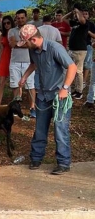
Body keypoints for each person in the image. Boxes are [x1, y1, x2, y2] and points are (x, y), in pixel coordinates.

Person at [18, 24, 77, 175]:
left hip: (59, 96)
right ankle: (36, 158)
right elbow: (34, 64)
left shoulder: (54, 48)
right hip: (43, 95)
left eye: (26, 42)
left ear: (34, 39)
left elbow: (72, 67)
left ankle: (64, 162)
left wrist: (64, 88)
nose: (25, 45)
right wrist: (25, 76)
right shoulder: (33, 50)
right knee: (40, 129)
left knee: (60, 130)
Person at [8, 9, 36, 118]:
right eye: (18, 18)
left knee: (30, 86)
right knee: (15, 86)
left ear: (26, 17)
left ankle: (32, 108)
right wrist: (25, 43)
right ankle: (16, 108)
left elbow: (33, 44)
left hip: (29, 62)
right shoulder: (12, 31)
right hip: (14, 61)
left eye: (22, 18)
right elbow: (12, 44)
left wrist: (18, 43)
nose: (20, 20)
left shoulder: (32, 30)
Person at [65, 5, 89, 99]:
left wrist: (78, 11)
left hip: (80, 50)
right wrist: (72, 12)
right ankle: (74, 89)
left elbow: (82, 20)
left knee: (78, 71)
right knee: (70, 69)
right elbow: (63, 19)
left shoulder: (85, 23)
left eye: (84, 14)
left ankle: (79, 91)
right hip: (71, 49)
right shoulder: (74, 23)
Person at [0, 15, 15, 105]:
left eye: (8, 23)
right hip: (4, 57)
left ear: (11, 22)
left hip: (14, 57)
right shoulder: (2, 35)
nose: (6, 25)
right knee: (1, 82)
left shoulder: (15, 33)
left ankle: (15, 103)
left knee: (15, 83)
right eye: (4, 23)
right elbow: (1, 49)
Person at [81, 9, 95, 87]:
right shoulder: (78, 23)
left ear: (88, 15)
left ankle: (84, 81)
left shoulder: (91, 24)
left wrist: (88, 32)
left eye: (86, 14)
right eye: (83, 14)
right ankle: (78, 81)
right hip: (78, 47)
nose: (84, 15)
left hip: (87, 46)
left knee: (87, 64)